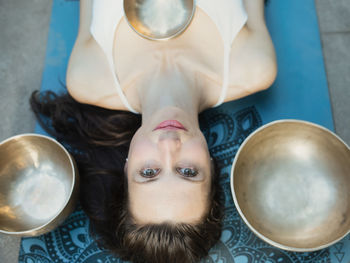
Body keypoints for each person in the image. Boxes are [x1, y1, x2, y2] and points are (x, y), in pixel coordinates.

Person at [31, 0, 276, 262]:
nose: (169, 144)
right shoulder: (253, 68)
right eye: (188, 171)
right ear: (212, 166)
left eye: (149, 172)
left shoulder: (88, 79)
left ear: (126, 167)